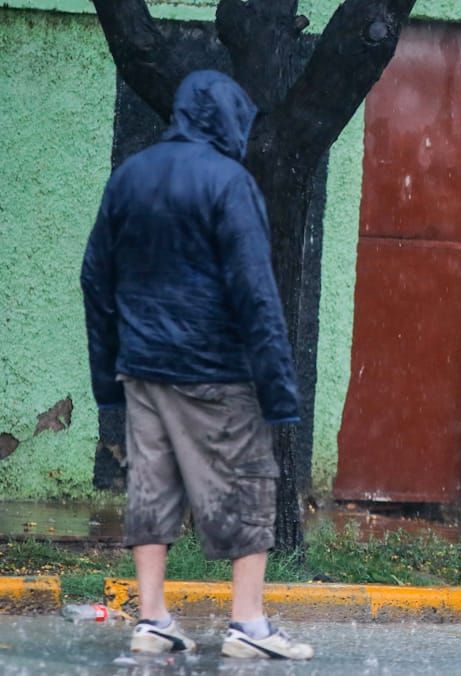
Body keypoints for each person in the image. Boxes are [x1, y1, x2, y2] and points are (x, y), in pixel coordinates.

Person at [81, 70, 313, 660]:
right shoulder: (229, 182)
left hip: (142, 368)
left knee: (150, 489)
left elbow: (95, 279)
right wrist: (278, 389)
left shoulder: (129, 176)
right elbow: (254, 291)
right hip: (215, 370)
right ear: (227, 119)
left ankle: (153, 619)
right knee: (246, 484)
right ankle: (249, 625)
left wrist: (108, 376)